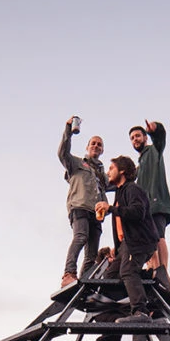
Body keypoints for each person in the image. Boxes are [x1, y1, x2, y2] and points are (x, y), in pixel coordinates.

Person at [94, 156, 160, 324]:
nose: (108, 172)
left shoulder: (132, 189)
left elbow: (138, 212)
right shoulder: (120, 193)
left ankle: (141, 311)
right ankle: (117, 313)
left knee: (128, 271)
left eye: (111, 168)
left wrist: (111, 208)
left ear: (122, 170)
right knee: (111, 275)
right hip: (126, 245)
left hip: (139, 241)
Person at [57, 116, 108, 288]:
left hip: (97, 213)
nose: (96, 146)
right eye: (93, 143)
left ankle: (86, 282)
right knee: (80, 237)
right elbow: (62, 153)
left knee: (92, 254)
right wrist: (68, 130)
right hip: (79, 207)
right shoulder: (77, 163)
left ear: (102, 150)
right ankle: (68, 274)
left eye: (99, 144)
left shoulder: (101, 174)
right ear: (87, 147)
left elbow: (121, 178)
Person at [129, 120, 170, 288]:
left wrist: (156, 129)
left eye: (138, 136)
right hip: (145, 209)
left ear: (145, 138)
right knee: (148, 240)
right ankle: (153, 268)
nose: (135, 140)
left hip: (157, 203)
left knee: (159, 236)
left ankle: (163, 272)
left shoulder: (154, 150)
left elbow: (160, 138)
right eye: (132, 138)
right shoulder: (139, 166)